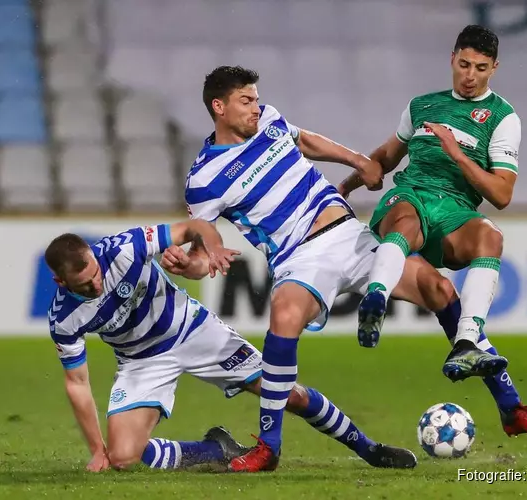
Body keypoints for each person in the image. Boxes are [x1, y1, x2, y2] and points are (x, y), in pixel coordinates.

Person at [177, 65, 508, 473]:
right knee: (284, 315)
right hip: (300, 257)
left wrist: (358, 161)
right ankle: (268, 447)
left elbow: (307, 141)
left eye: (257, 99)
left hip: (351, 238)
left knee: (438, 288)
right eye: (246, 101)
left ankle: (508, 404)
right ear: (218, 107)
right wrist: (191, 263)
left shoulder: (271, 121)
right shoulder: (204, 180)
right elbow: (199, 244)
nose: (256, 107)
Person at [46, 220, 417, 472]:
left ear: (95, 255)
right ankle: (214, 450)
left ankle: (368, 448)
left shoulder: (124, 248)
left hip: (194, 331)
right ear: (60, 282)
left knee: (288, 394)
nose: (97, 285)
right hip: (141, 361)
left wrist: (207, 250)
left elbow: (195, 227)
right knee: (124, 456)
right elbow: (76, 383)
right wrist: (97, 451)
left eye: (96, 273)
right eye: (85, 285)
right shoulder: (63, 319)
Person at [338, 25, 527, 438]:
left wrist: (458, 156)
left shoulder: (502, 118)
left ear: (494, 68)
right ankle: (376, 299)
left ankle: (469, 344)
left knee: (489, 237)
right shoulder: (422, 106)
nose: (469, 75)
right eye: (463, 65)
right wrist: (348, 184)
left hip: (455, 211)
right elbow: (387, 155)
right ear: (452, 59)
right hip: (411, 196)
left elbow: (502, 194)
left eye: (479, 68)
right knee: (408, 231)